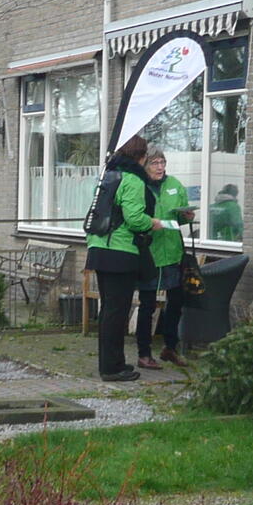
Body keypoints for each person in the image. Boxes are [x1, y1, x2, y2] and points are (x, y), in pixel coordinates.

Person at [86, 135, 181, 382]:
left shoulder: (108, 175)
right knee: (116, 313)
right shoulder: (133, 179)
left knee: (109, 311)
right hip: (120, 252)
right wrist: (156, 223)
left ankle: (112, 363)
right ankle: (112, 369)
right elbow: (135, 219)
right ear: (140, 158)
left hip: (98, 247)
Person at [135, 149, 195, 368]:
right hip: (150, 255)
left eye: (162, 162)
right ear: (145, 165)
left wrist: (187, 216)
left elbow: (181, 218)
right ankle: (144, 353)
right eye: (154, 163)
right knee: (147, 305)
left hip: (173, 252)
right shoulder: (139, 186)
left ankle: (170, 347)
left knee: (176, 302)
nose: (160, 167)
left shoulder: (175, 185)